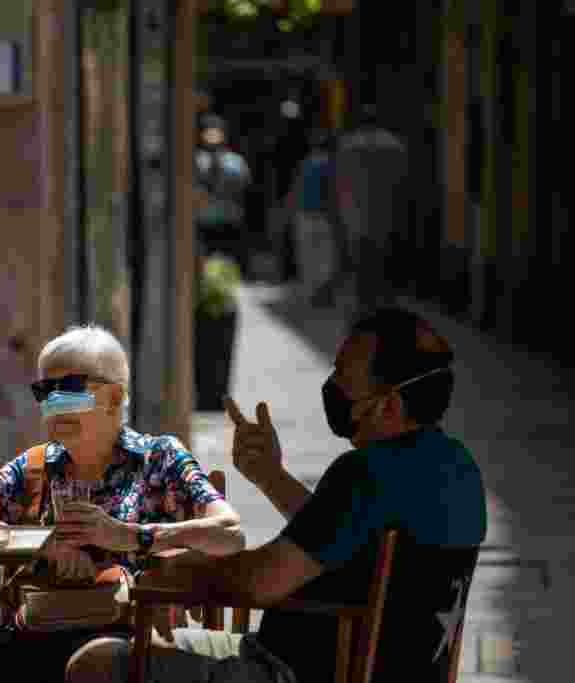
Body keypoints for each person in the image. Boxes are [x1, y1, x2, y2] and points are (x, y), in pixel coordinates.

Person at [66, 307, 487, 683]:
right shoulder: (458, 469)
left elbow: (263, 583)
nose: (332, 386)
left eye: (343, 375)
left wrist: (177, 575)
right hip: (369, 667)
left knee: (96, 663)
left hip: (286, 670)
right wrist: (269, 475)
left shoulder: (368, 473)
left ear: (390, 405)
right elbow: (344, 541)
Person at [0, 324, 244, 683]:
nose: (55, 406)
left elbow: (230, 534)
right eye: (45, 392)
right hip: (36, 631)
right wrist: (45, 545)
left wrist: (131, 537)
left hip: (122, 644)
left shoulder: (159, 458)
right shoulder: (35, 466)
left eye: (69, 391)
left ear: (115, 398)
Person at [332, 105, 410, 317]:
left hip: (355, 216)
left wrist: (340, 212)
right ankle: (383, 306)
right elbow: (403, 182)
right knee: (384, 264)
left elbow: (339, 183)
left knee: (361, 266)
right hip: (386, 215)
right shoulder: (395, 146)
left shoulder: (347, 147)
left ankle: (364, 307)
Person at [284, 128, 338, 306]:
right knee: (325, 257)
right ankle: (321, 294)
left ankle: (311, 294)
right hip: (324, 216)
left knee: (308, 256)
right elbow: (332, 192)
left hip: (304, 215)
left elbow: (296, 189)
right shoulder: (332, 164)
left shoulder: (306, 163)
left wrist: (290, 210)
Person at [193, 112, 252, 275]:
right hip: (205, 220)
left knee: (227, 265)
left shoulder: (235, 162)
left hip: (227, 221)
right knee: (206, 266)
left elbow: (243, 189)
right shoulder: (195, 160)